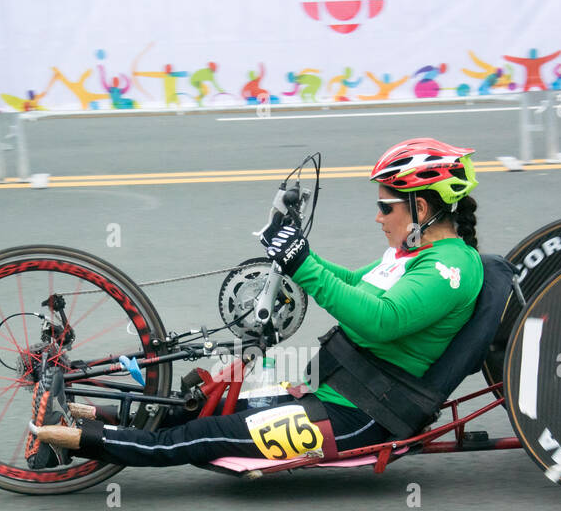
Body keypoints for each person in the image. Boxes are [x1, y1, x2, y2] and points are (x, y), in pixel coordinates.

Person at [25, 138, 483, 469]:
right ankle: (80, 411)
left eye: (386, 207)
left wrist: (302, 263)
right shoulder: (414, 254)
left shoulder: (449, 270)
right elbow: (350, 282)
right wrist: (295, 251)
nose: (378, 216)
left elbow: (381, 321)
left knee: (201, 436)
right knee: (201, 397)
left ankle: (65, 440)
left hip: (359, 416)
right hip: (327, 387)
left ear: (421, 209)